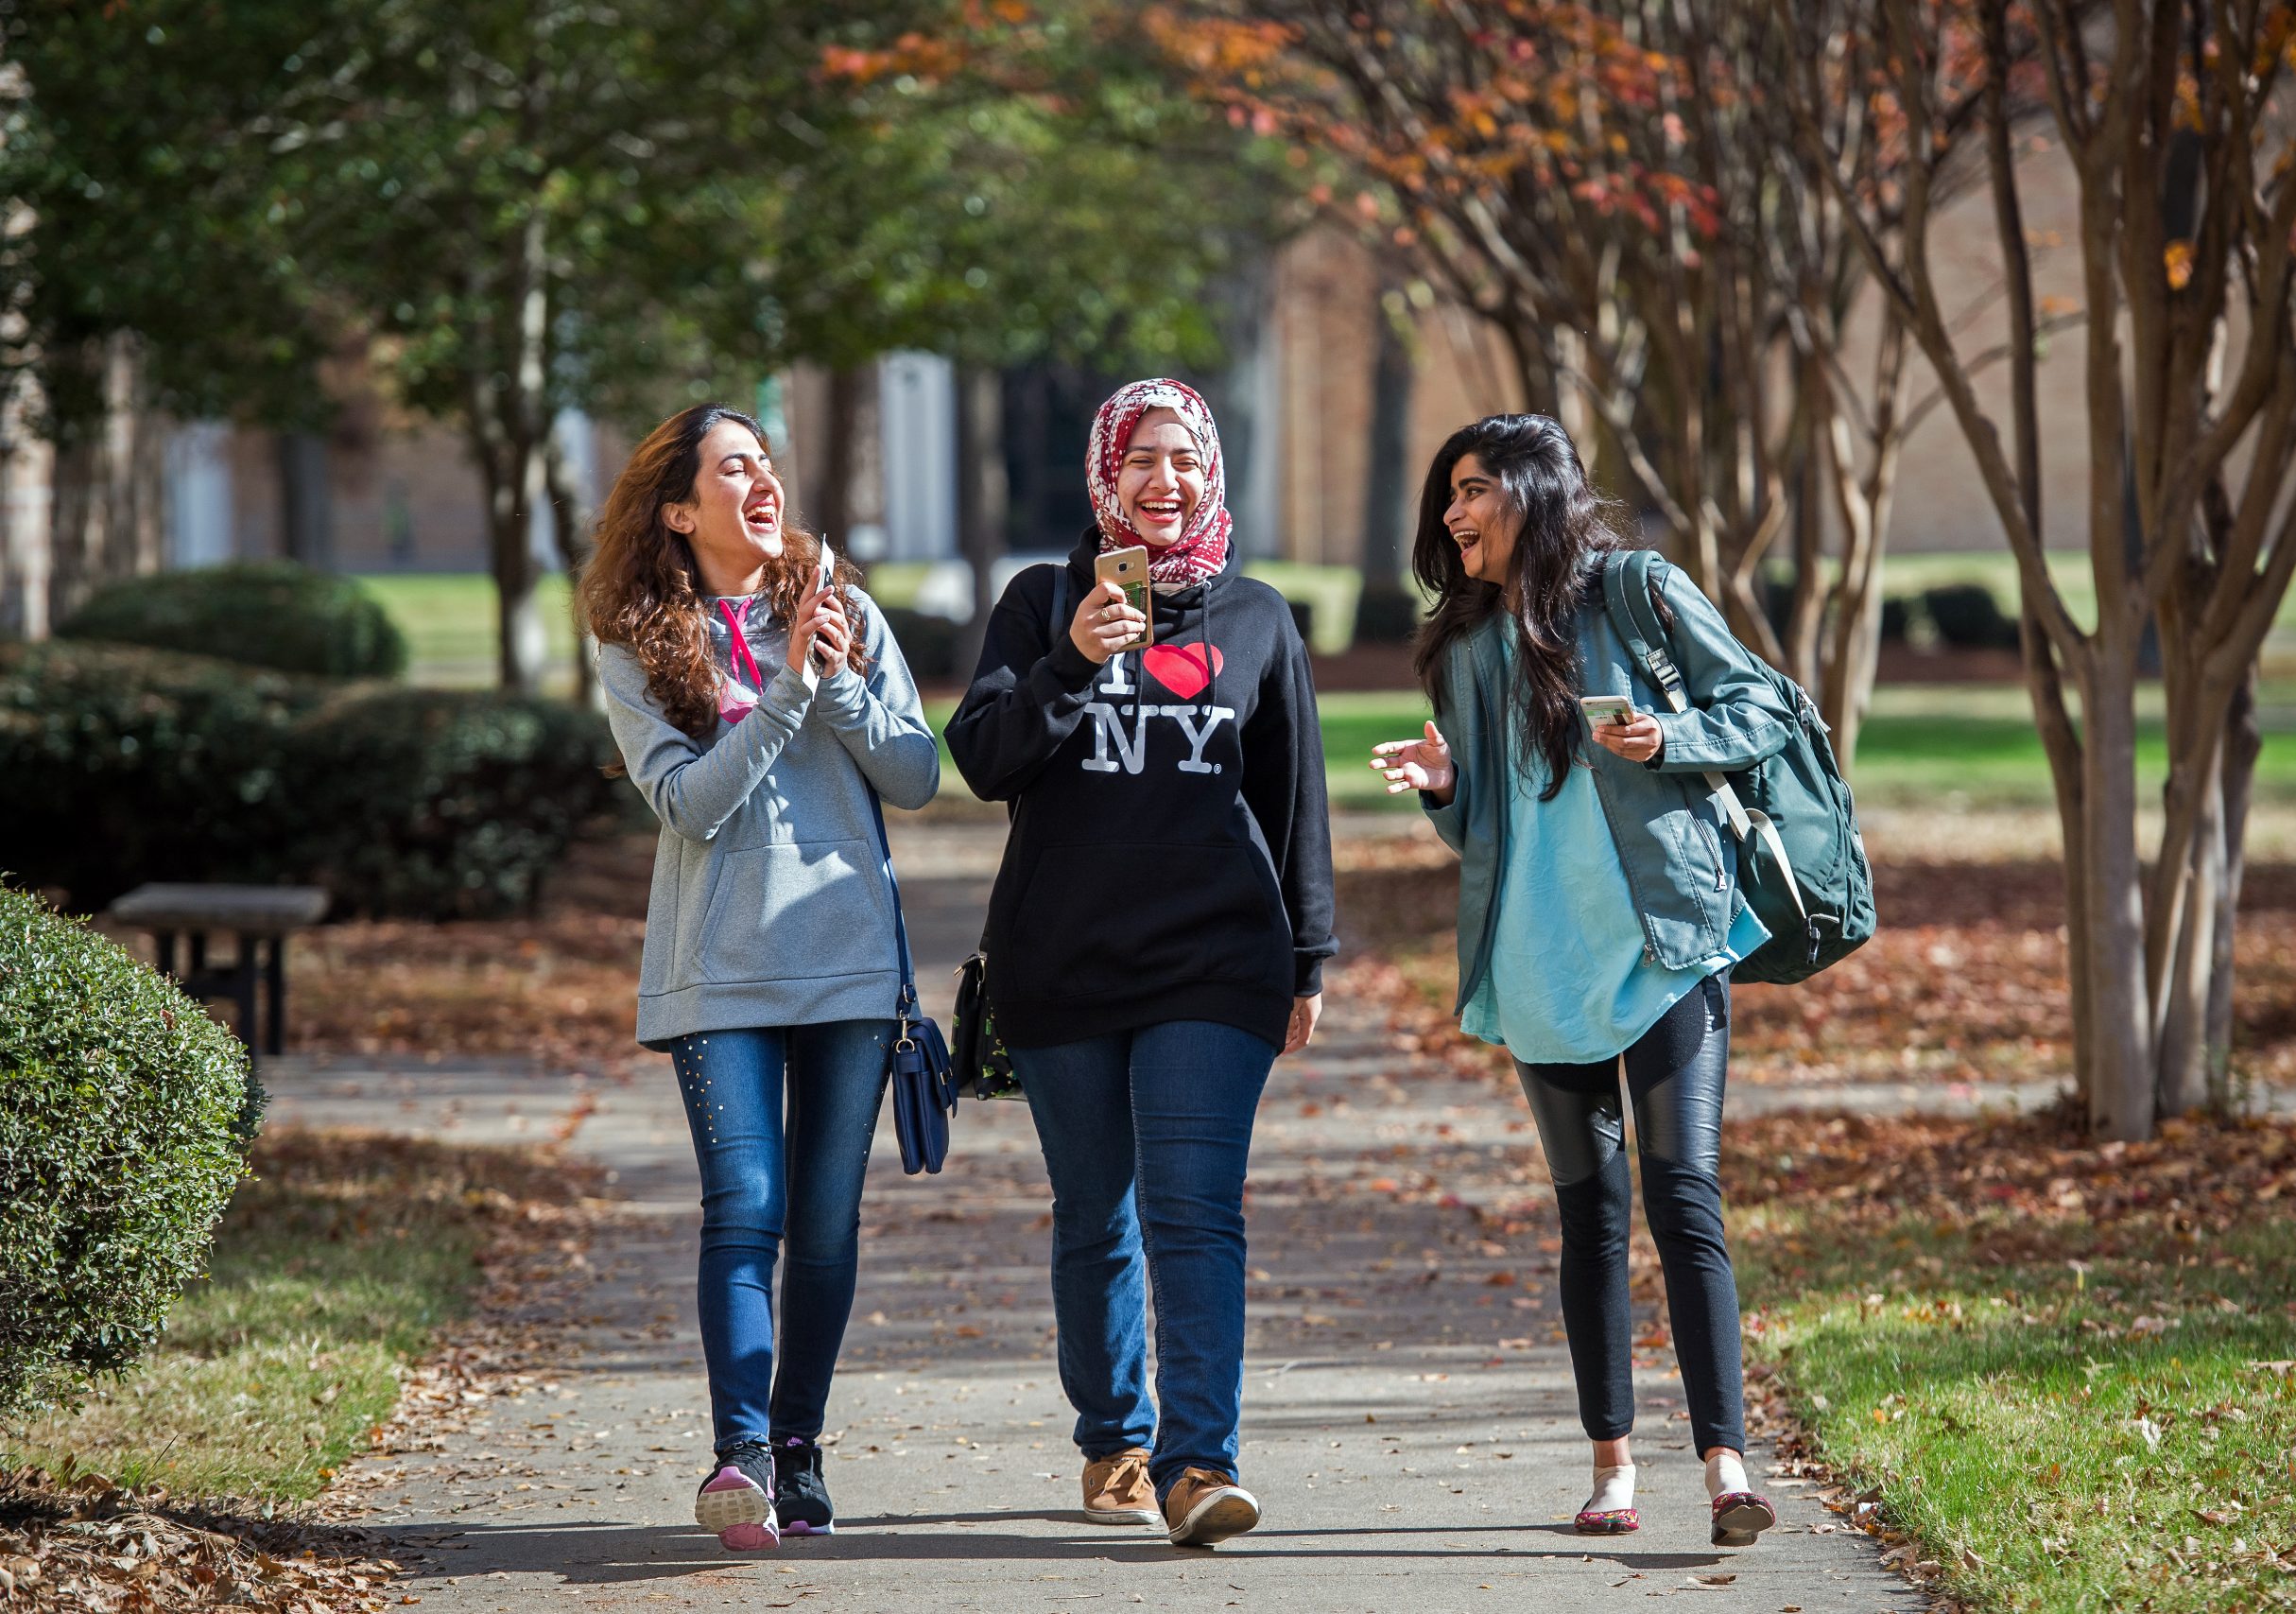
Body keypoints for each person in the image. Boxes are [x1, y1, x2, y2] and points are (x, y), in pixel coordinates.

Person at [1369, 414, 1787, 1549]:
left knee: (1681, 1198)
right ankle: (1612, 1471)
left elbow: (1765, 708)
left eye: (1470, 490)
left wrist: (1673, 733)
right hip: (1539, 961)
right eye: (1444, 495)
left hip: (1662, 944)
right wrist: (1444, 782)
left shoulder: (1636, 591)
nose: (1452, 515)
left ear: (1531, 494)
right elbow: (1486, 836)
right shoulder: (1460, 647)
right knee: (1589, 1219)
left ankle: (1727, 1470)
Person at [945, 378, 1335, 1548]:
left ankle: (1198, 1462)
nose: (1162, 482)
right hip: (1061, 963)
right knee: (1094, 1213)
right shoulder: (1038, 602)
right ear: (1105, 474)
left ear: (1210, 474)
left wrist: (1307, 959)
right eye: (1140, 461)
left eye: (1183, 460)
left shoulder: (1258, 617)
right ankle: (1113, 1433)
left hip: (1216, 964)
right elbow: (984, 760)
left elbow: (1292, 799)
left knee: (1195, 1209)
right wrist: (1068, 661)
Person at [580, 404, 939, 1550]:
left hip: (845, 965)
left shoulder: (844, 611)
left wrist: (829, 673)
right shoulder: (638, 641)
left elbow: (920, 773)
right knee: (745, 1211)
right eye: (733, 467)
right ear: (681, 511)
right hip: (719, 970)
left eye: (767, 461)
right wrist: (786, 692)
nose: (761, 480)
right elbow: (685, 803)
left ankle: (799, 1451)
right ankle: (737, 1458)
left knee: (825, 1228)